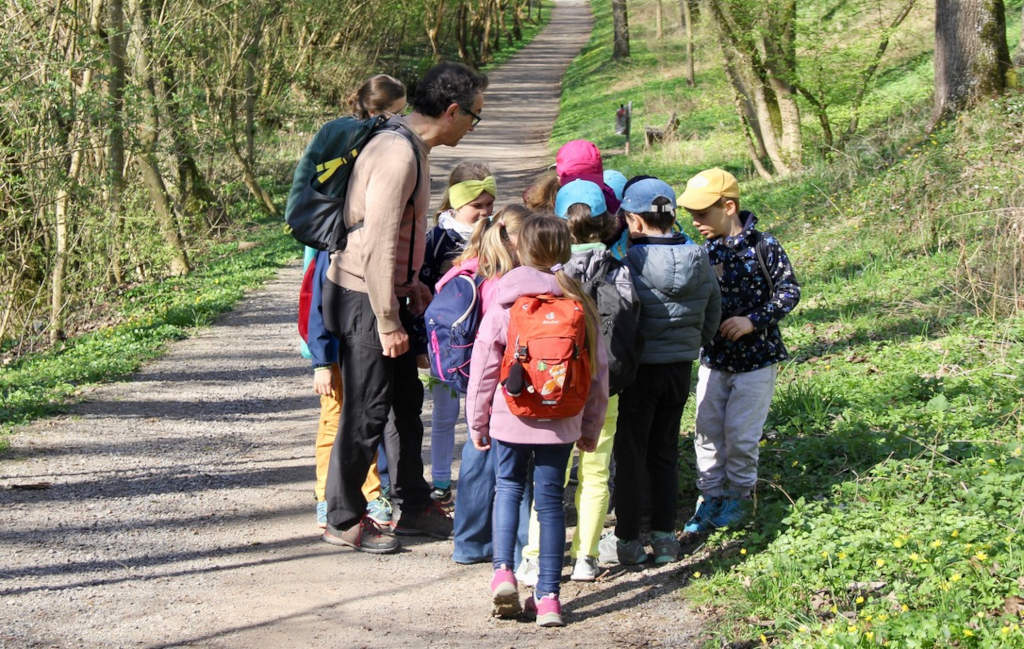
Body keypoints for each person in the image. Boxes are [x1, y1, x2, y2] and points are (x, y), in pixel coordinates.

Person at [320, 61, 488, 554]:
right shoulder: (397, 155)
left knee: (405, 404)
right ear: (452, 111)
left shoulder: (411, 145)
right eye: (474, 116)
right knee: (368, 408)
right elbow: (374, 245)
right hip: (363, 296)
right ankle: (343, 516)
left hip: (387, 291)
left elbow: (399, 235)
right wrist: (388, 318)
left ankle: (412, 504)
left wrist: (411, 281)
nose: (474, 126)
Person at [466, 216, 609, 627]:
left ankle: (503, 573)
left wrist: (477, 422)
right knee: (549, 505)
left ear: (521, 251)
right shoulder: (580, 303)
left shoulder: (506, 302)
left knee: (508, 489)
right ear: (565, 251)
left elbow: (484, 369)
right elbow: (598, 373)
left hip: (510, 416)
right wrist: (590, 428)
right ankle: (548, 598)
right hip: (562, 419)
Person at [517, 180, 638, 584]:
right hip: (607, 387)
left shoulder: (554, 277)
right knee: (597, 472)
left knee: (552, 476)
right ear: (606, 224)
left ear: (561, 224)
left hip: (559, 388)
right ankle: (585, 556)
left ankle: (534, 557)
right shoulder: (620, 270)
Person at [305, 74, 408, 530]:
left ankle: (368, 492)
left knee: (363, 410)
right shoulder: (354, 173)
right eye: (399, 112)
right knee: (343, 414)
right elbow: (314, 281)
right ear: (384, 113)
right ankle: (336, 502)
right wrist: (319, 356)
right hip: (336, 317)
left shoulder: (361, 158)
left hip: (342, 309)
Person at [606, 177, 721, 565]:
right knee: (665, 451)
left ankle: (627, 539)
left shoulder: (631, 262)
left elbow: (623, 314)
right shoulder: (699, 257)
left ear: (635, 222)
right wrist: (694, 344)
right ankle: (664, 538)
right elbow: (713, 310)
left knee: (631, 450)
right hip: (679, 367)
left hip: (640, 371)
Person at [678, 168, 800, 534]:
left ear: (728, 206)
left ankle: (739, 496)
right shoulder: (702, 251)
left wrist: (753, 320)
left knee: (742, 435)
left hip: (757, 362)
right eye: (692, 215)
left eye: (702, 214)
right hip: (714, 360)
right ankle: (710, 496)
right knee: (707, 430)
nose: (695, 221)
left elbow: (789, 291)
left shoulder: (765, 246)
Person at [448, 204, 530, 564]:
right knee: (515, 473)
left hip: (479, 384)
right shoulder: (510, 286)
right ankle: (522, 548)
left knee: (477, 464)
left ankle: (469, 543)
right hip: (507, 387)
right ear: (518, 242)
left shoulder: (476, 272)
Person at [420, 163, 497, 506]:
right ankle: (439, 481)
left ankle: (479, 480)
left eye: (489, 206)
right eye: (476, 207)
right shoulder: (437, 240)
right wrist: (422, 342)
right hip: (447, 347)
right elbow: (420, 291)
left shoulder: (497, 235)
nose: (483, 213)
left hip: (486, 342)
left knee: (481, 414)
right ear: (455, 205)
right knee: (444, 414)